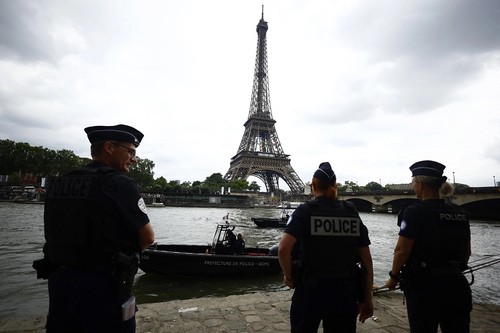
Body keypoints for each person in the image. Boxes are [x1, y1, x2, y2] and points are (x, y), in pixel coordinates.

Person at [33, 124, 155, 333]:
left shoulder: (61, 183)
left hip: (60, 282)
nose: (134, 158)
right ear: (109, 147)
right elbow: (147, 237)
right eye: (130, 151)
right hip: (103, 286)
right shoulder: (120, 184)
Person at [278, 162, 374, 333]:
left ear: (313, 185)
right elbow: (366, 261)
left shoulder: (305, 211)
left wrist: (290, 277)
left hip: (310, 289)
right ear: (334, 185)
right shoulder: (351, 212)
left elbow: (283, 250)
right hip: (344, 291)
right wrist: (367, 299)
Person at [385, 160, 472, 333]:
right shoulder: (460, 212)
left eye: (413, 183)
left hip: (425, 288)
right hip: (456, 286)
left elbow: (402, 250)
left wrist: (393, 277)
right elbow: (466, 252)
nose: (412, 186)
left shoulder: (414, 211)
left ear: (420, 184)